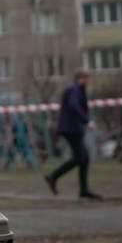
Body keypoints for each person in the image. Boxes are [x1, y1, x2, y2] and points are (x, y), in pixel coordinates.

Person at [45, 70, 101, 199]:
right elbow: (73, 105)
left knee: (83, 158)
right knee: (81, 157)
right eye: (87, 78)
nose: (88, 81)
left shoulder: (77, 90)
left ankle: (82, 189)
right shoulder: (74, 89)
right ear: (81, 78)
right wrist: (87, 120)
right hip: (71, 129)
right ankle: (54, 176)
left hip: (74, 129)